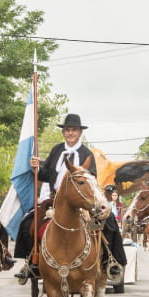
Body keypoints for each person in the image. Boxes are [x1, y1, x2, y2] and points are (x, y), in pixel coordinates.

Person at [16, 114, 126, 283]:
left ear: (80, 132)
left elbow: (92, 177)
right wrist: (36, 168)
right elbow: (45, 175)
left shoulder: (87, 153)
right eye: (67, 130)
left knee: (109, 221)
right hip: (55, 201)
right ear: (63, 132)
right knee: (28, 222)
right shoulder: (56, 150)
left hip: (82, 202)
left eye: (74, 130)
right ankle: (32, 262)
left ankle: (109, 261)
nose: (70, 133)